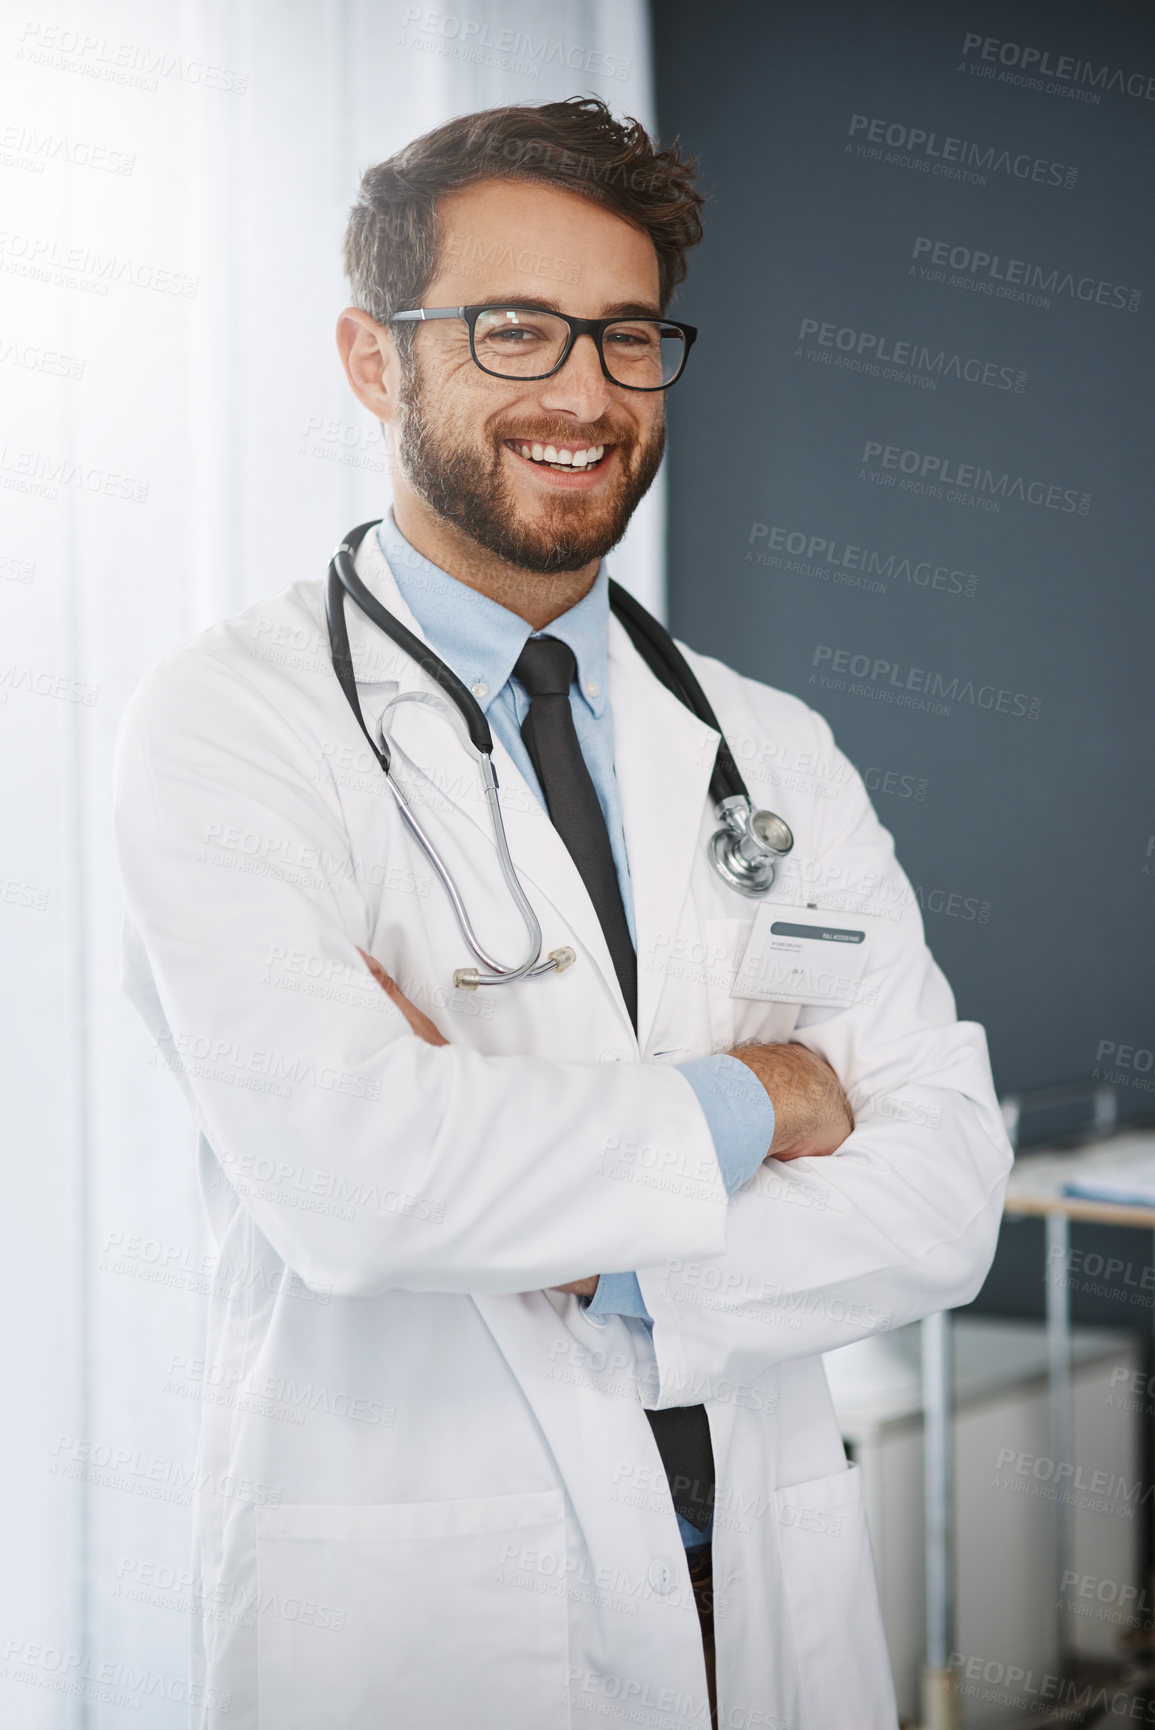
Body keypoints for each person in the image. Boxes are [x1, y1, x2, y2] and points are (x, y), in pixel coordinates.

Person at [113, 96, 1012, 1730]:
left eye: (624, 335)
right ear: (376, 361)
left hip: (762, 1596)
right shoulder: (232, 726)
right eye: (515, 333)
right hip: (435, 1619)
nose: (585, 395)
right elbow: (358, 1186)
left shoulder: (771, 744)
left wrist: (598, 1261)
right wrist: (765, 1099)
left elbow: (949, 1185)